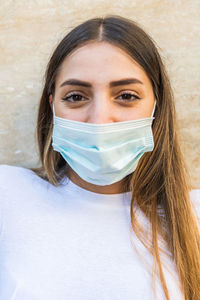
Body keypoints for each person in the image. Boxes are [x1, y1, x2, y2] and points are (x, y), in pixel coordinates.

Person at [0, 15, 199, 300]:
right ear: (52, 105)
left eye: (127, 95)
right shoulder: (7, 194)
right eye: (76, 97)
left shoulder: (192, 216)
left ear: (157, 105)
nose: (99, 120)